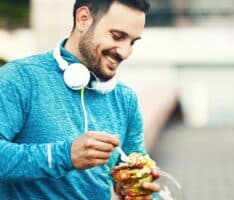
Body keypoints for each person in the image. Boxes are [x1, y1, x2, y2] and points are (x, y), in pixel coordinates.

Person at [0, 0, 160, 199]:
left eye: (133, 42)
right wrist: (65, 155)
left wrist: (140, 192)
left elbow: (135, 177)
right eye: (117, 36)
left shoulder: (126, 100)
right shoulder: (19, 78)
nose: (125, 52)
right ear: (83, 19)